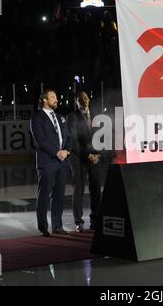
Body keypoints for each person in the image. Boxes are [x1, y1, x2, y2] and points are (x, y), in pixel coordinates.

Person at [30, 88, 72, 236]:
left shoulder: (60, 117)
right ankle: (43, 227)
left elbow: (68, 137)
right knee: (44, 195)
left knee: (59, 195)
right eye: (53, 96)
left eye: (56, 96)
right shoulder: (37, 118)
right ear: (44, 100)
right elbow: (41, 140)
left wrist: (66, 151)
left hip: (62, 162)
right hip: (47, 162)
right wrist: (56, 152)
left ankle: (57, 226)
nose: (57, 99)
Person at [66, 91, 101, 231]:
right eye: (80, 99)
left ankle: (95, 220)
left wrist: (98, 154)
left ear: (89, 99)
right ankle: (78, 221)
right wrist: (88, 154)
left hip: (94, 157)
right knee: (79, 189)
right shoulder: (71, 117)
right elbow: (73, 141)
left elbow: (101, 138)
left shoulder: (97, 116)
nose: (83, 100)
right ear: (76, 101)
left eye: (85, 98)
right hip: (79, 157)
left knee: (96, 189)